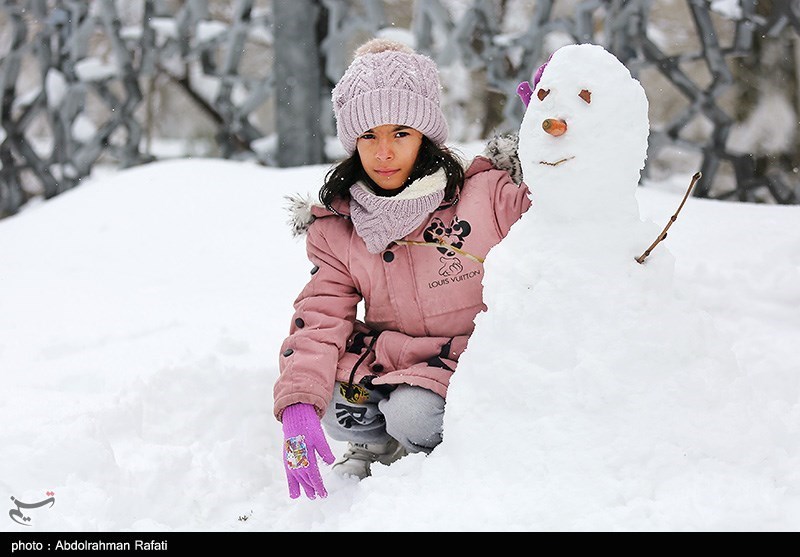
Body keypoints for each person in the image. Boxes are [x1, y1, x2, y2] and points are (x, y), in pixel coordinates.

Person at [274, 38, 531, 500]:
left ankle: (434, 463)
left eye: (400, 133)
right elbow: (321, 313)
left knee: (415, 416)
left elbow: (567, 207)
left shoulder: (486, 194)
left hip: (464, 357)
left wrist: (557, 137)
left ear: (425, 135)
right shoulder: (339, 226)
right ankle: (372, 449)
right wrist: (297, 402)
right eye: (368, 136)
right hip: (388, 356)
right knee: (335, 408)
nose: (384, 153)